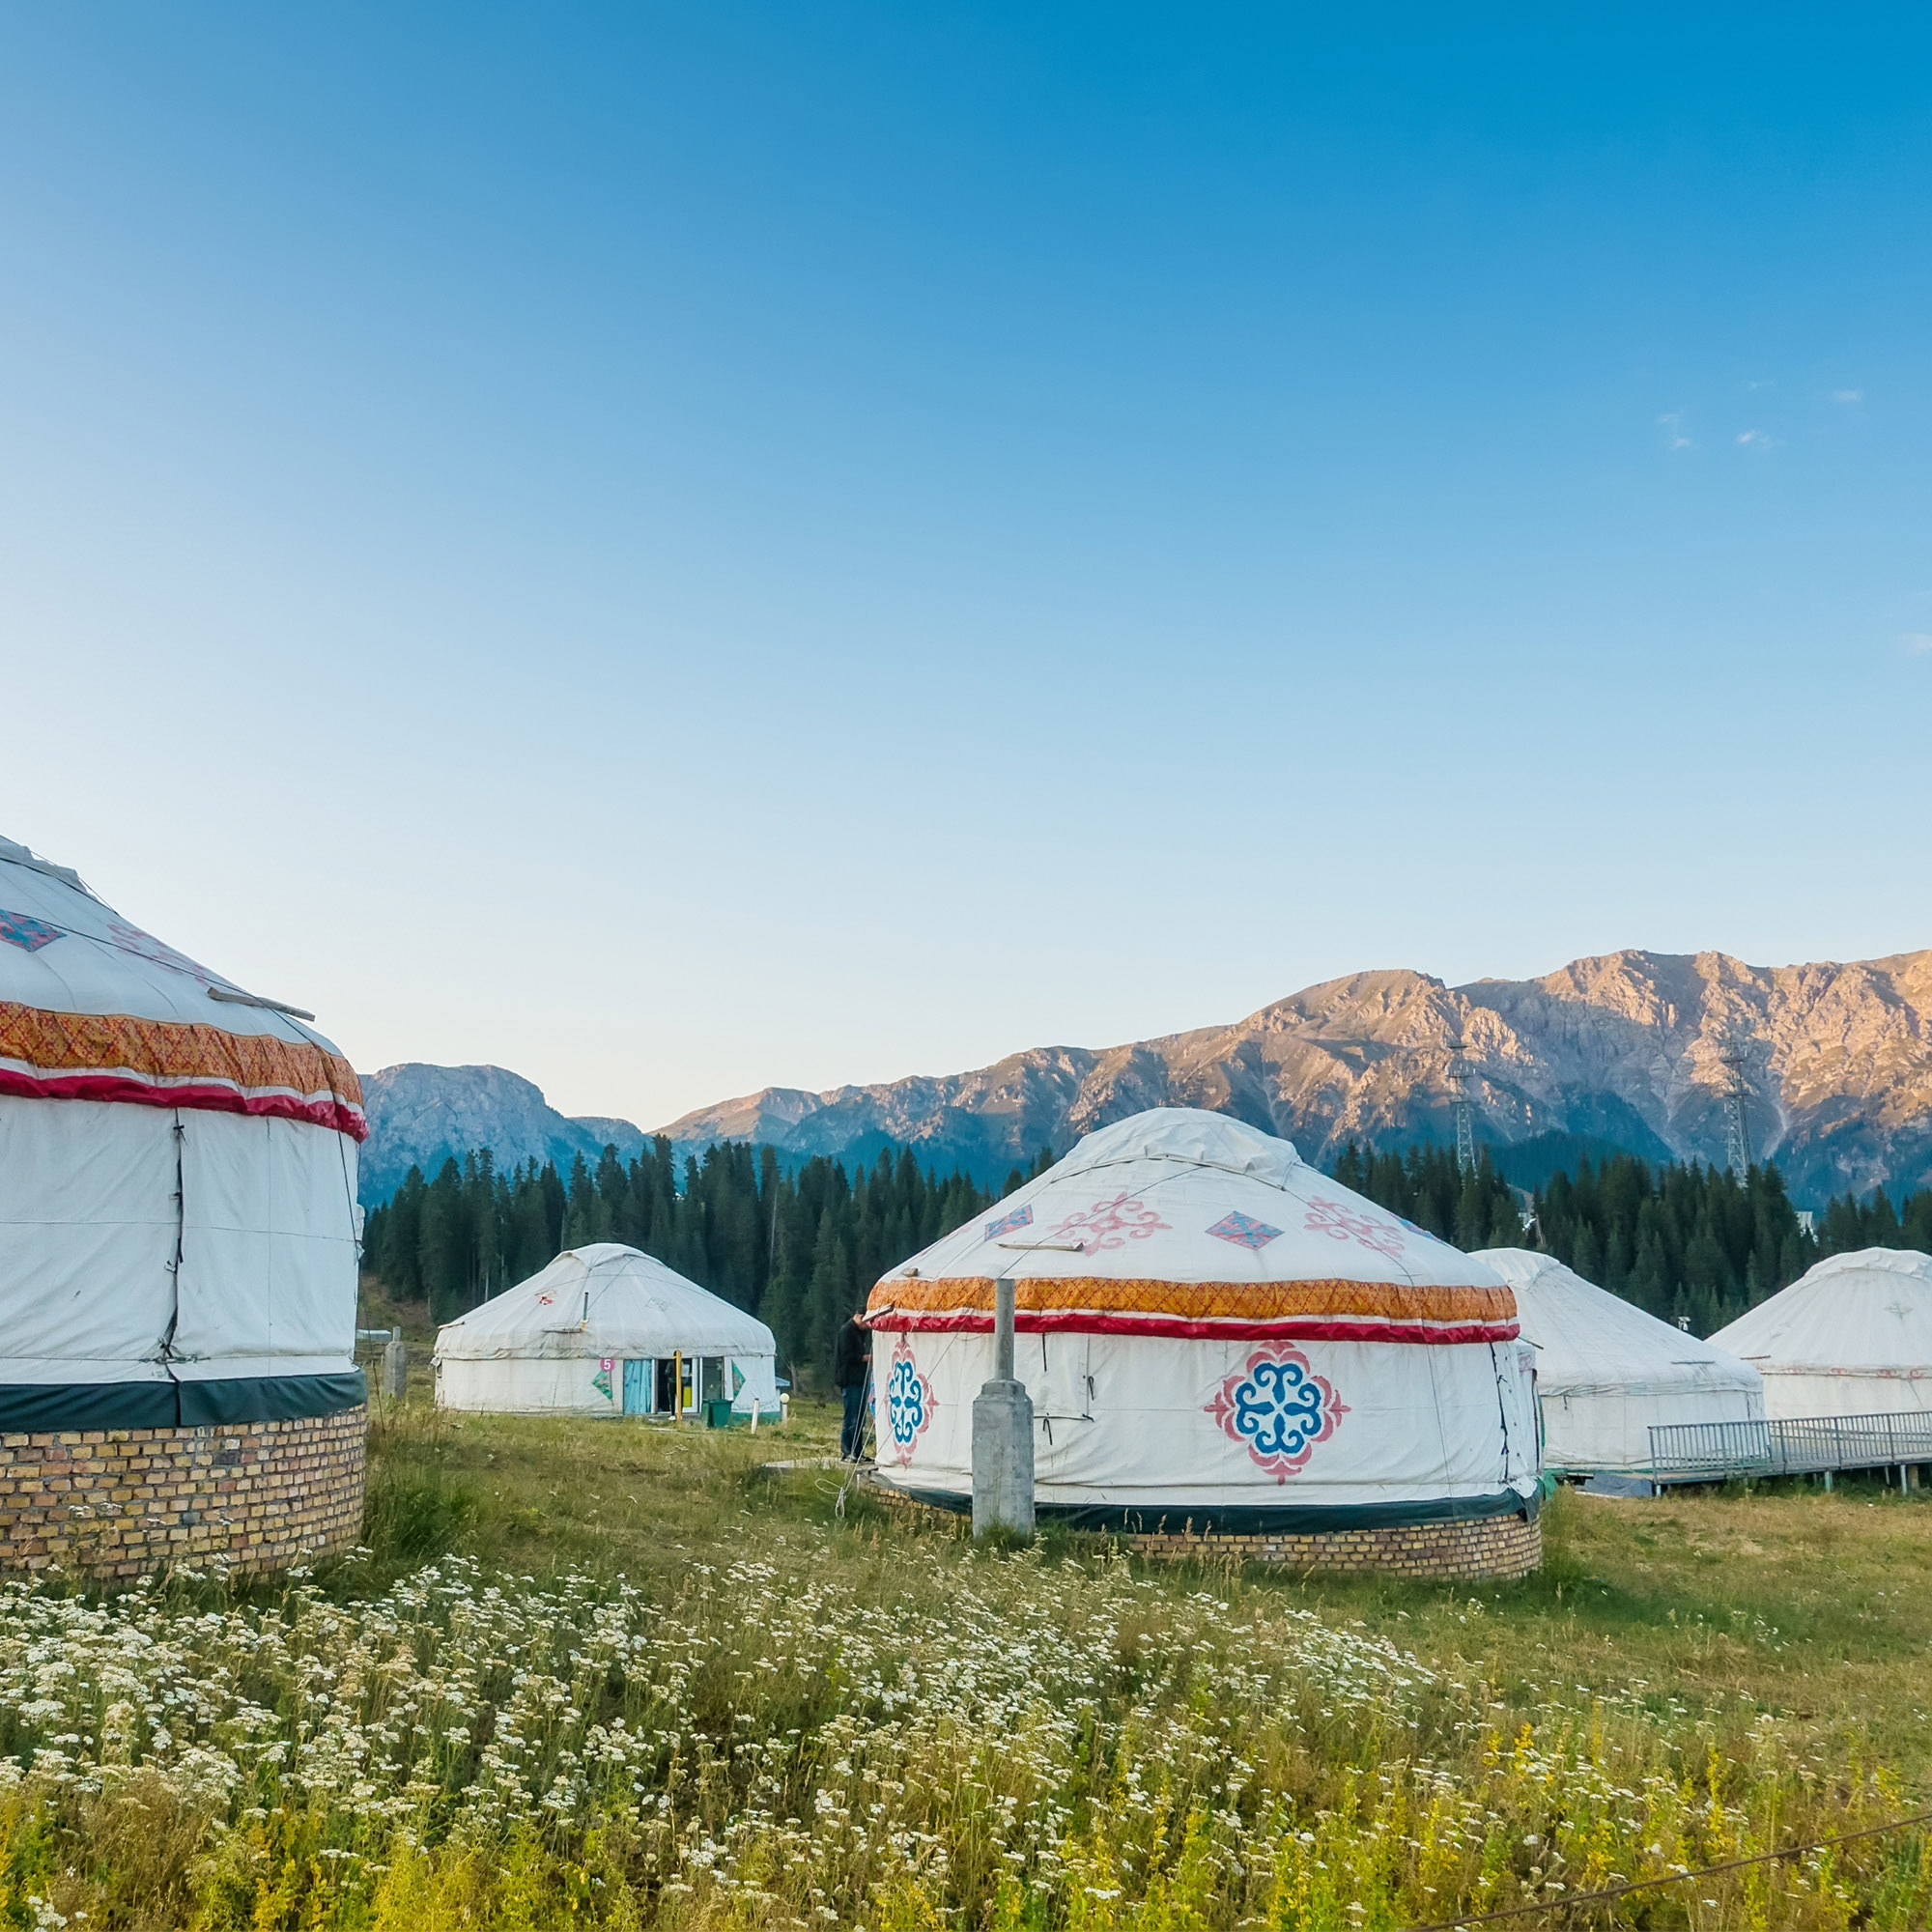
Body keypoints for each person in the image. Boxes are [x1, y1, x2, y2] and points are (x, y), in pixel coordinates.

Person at [834, 1307, 873, 1461]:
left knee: (860, 1418)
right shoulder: (846, 1332)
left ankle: (857, 1451)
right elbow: (846, 1356)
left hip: (860, 1379)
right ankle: (847, 1451)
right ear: (860, 1317)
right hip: (850, 1380)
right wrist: (864, 1358)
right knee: (851, 1417)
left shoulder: (859, 1333)